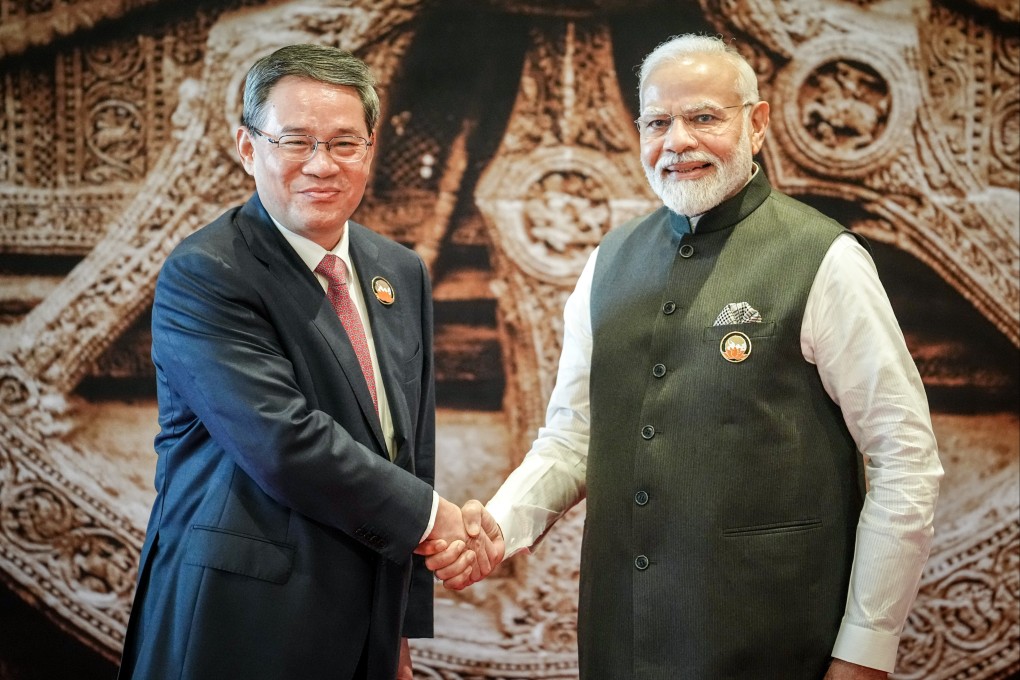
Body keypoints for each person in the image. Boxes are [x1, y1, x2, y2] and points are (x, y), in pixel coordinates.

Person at [424, 33, 942, 680]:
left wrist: (867, 647)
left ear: (755, 126)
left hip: (779, 641)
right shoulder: (607, 264)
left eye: (703, 118)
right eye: (658, 123)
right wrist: (499, 528)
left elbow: (905, 460)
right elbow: (573, 438)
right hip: (623, 638)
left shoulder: (824, 259)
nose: (677, 142)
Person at [118, 44, 488, 680]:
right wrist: (438, 522)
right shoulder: (207, 272)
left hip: (364, 630)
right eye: (295, 141)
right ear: (248, 148)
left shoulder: (400, 271)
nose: (322, 165)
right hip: (238, 624)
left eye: (345, 143)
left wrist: (400, 632)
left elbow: (408, 453)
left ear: (370, 149)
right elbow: (284, 443)